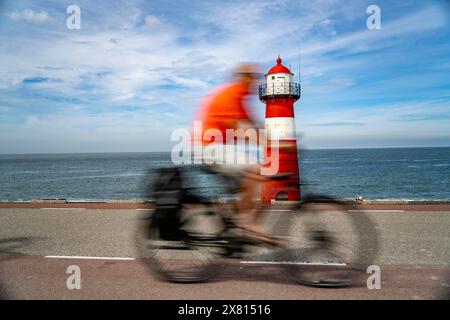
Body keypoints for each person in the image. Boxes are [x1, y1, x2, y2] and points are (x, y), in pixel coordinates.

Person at [193, 63, 283, 245]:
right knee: (258, 170)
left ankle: (236, 225)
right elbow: (242, 131)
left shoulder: (240, 99)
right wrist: (270, 143)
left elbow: (252, 123)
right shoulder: (229, 96)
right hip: (210, 148)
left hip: (220, 148)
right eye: (251, 77)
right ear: (242, 78)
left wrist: (273, 141)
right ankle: (248, 225)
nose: (255, 81)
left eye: (256, 77)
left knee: (252, 183)